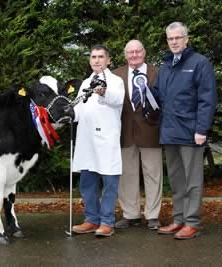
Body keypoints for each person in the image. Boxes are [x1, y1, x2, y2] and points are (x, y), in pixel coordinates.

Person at [155, 22, 217, 239]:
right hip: (170, 132)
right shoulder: (165, 66)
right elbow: (158, 96)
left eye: (178, 37)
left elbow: (207, 100)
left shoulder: (200, 63)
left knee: (192, 181)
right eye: (170, 38)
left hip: (191, 133)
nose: (174, 42)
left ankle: (192, 222)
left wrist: (201, 129)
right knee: (177, 180)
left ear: (187, 38)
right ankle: (179, 219)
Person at [72, 44, 125, 237]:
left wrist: (103, 92)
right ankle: (91, 219)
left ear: (108, 60)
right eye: (93, 57)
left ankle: (107, 222)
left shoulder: (116, 81)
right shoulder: (85, 82)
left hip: (106, 140)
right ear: (90, 61)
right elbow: (78, 109)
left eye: (101, 57)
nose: (97, 60)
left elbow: (118, 100)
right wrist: (68, 113)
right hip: (87, 141)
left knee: (109, 183)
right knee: (87, 183)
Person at [113, 40, 163, 230]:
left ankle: (152, 215)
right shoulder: (115, 75)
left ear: (144, 52)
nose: (134, 55)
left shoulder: (157, 73)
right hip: (125, 132)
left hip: (151, 131)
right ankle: (130, 214)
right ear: (125, 55)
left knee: (153, 174)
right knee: (127, 175)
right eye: (130, 52)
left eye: (137, 51)